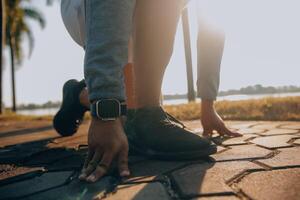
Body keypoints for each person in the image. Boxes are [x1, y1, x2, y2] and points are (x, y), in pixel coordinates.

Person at [56, 0, 241, 183]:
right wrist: (105, 107)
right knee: (127, 113)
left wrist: (207, 105)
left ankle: (88, 96)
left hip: (148, 15)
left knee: (133, 114)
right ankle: (87, 96)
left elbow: (212, 22)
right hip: (95, 9)